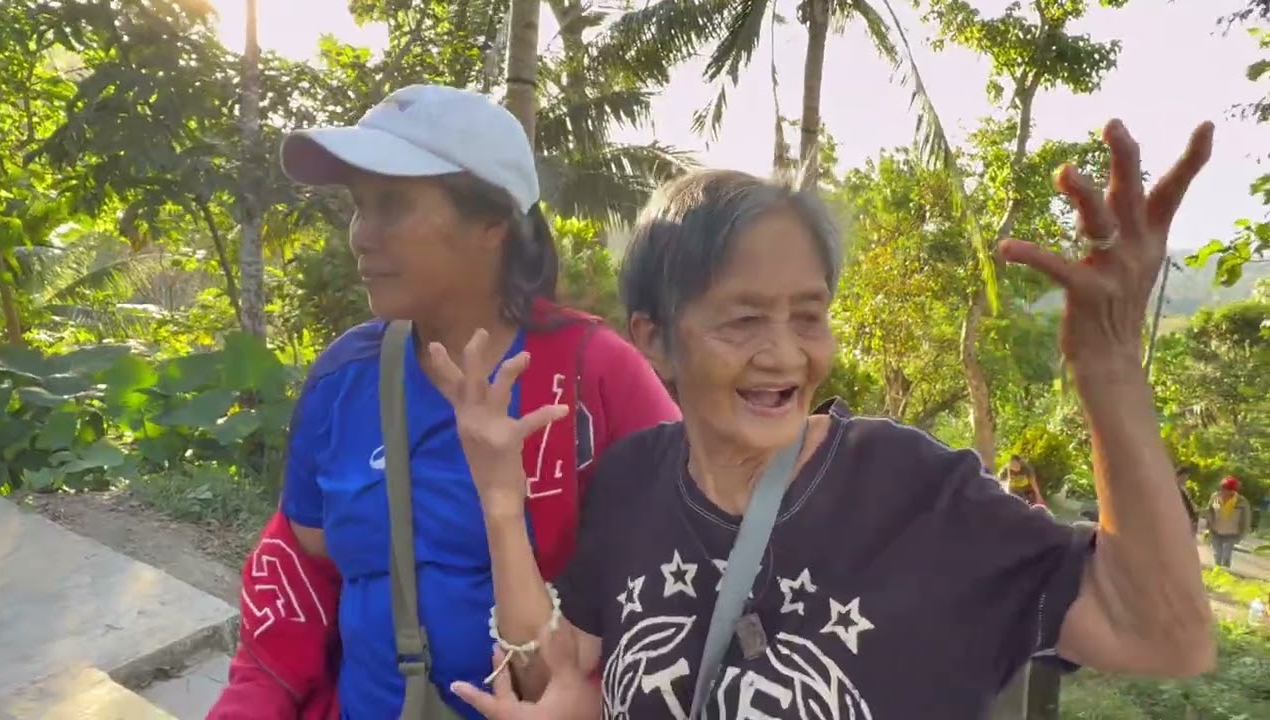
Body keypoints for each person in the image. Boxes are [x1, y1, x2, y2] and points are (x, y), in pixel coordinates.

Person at [433, 119, 1218, 719]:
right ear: (655, 340)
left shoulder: (917, 492)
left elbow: (1166, 636)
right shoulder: (632, 483)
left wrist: (1109, 366)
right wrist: (501, 503)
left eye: (808, 316)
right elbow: (556, 677)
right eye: (742, 320)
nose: (784, 355)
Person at [206, 84, 679, 719]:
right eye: (358, 206)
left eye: (393, 205)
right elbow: (299, 581)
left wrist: (589, 706)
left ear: (492, 223)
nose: (361, 237)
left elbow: (685, 592)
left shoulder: (594, 378)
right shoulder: (346, 380)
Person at [1205, 476, 1252, 569]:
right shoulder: (1215, 497)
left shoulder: (1241, 502)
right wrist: (1208, 525)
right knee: (1217, 555)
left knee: (1226, 556)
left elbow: (1246, 519)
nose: (1224, 491)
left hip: (1232, 533)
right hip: (1216, 531)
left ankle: (1225, 574)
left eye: (1227, 489)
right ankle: (1217, 574)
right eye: (1223, 488)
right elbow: (1210, 511)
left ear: (1233, 490)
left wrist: (1242, 533)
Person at [1176, 465, 1199, 535]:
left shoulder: (1184, 490)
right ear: (1178, 476)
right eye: (1184, 477)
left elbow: (1189, 506)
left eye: (1186, 478)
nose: (1185, 480)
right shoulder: (1171, 489)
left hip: (1185, 521)